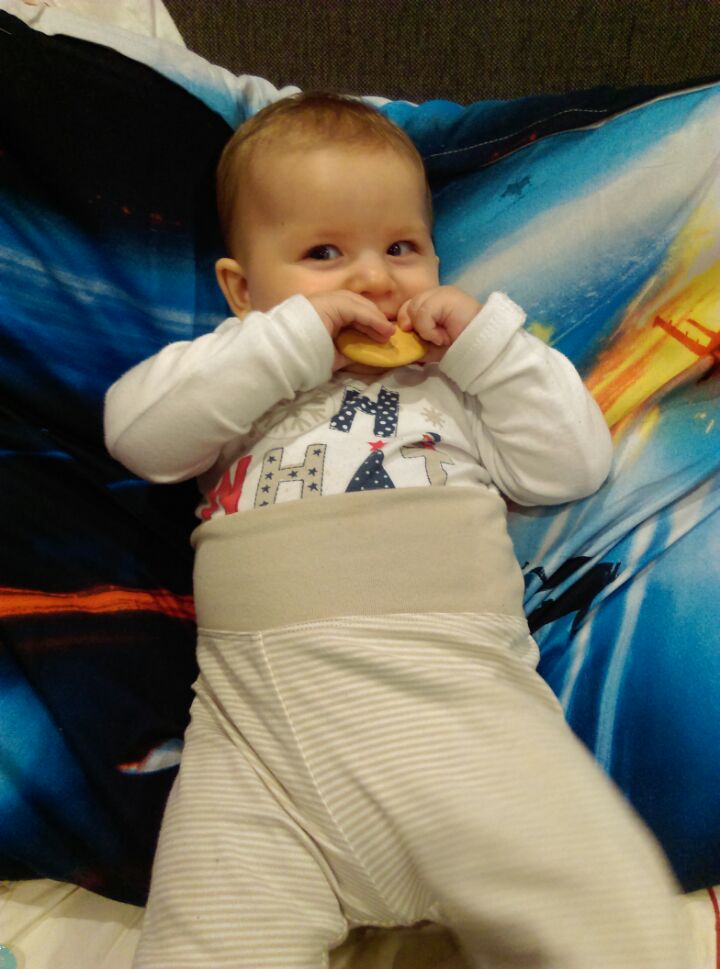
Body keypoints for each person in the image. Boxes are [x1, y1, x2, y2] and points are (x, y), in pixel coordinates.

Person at [105, 92, 697, 969]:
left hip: (461, 718)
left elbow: (569, 466)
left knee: (607, 909)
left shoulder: (455, 385)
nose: (375, 280)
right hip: (257, 752)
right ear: (241, 289)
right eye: (323, 254)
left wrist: (488, 347)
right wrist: (284, 344)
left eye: (401, 249)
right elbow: (138, 434)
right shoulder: (235, 378)